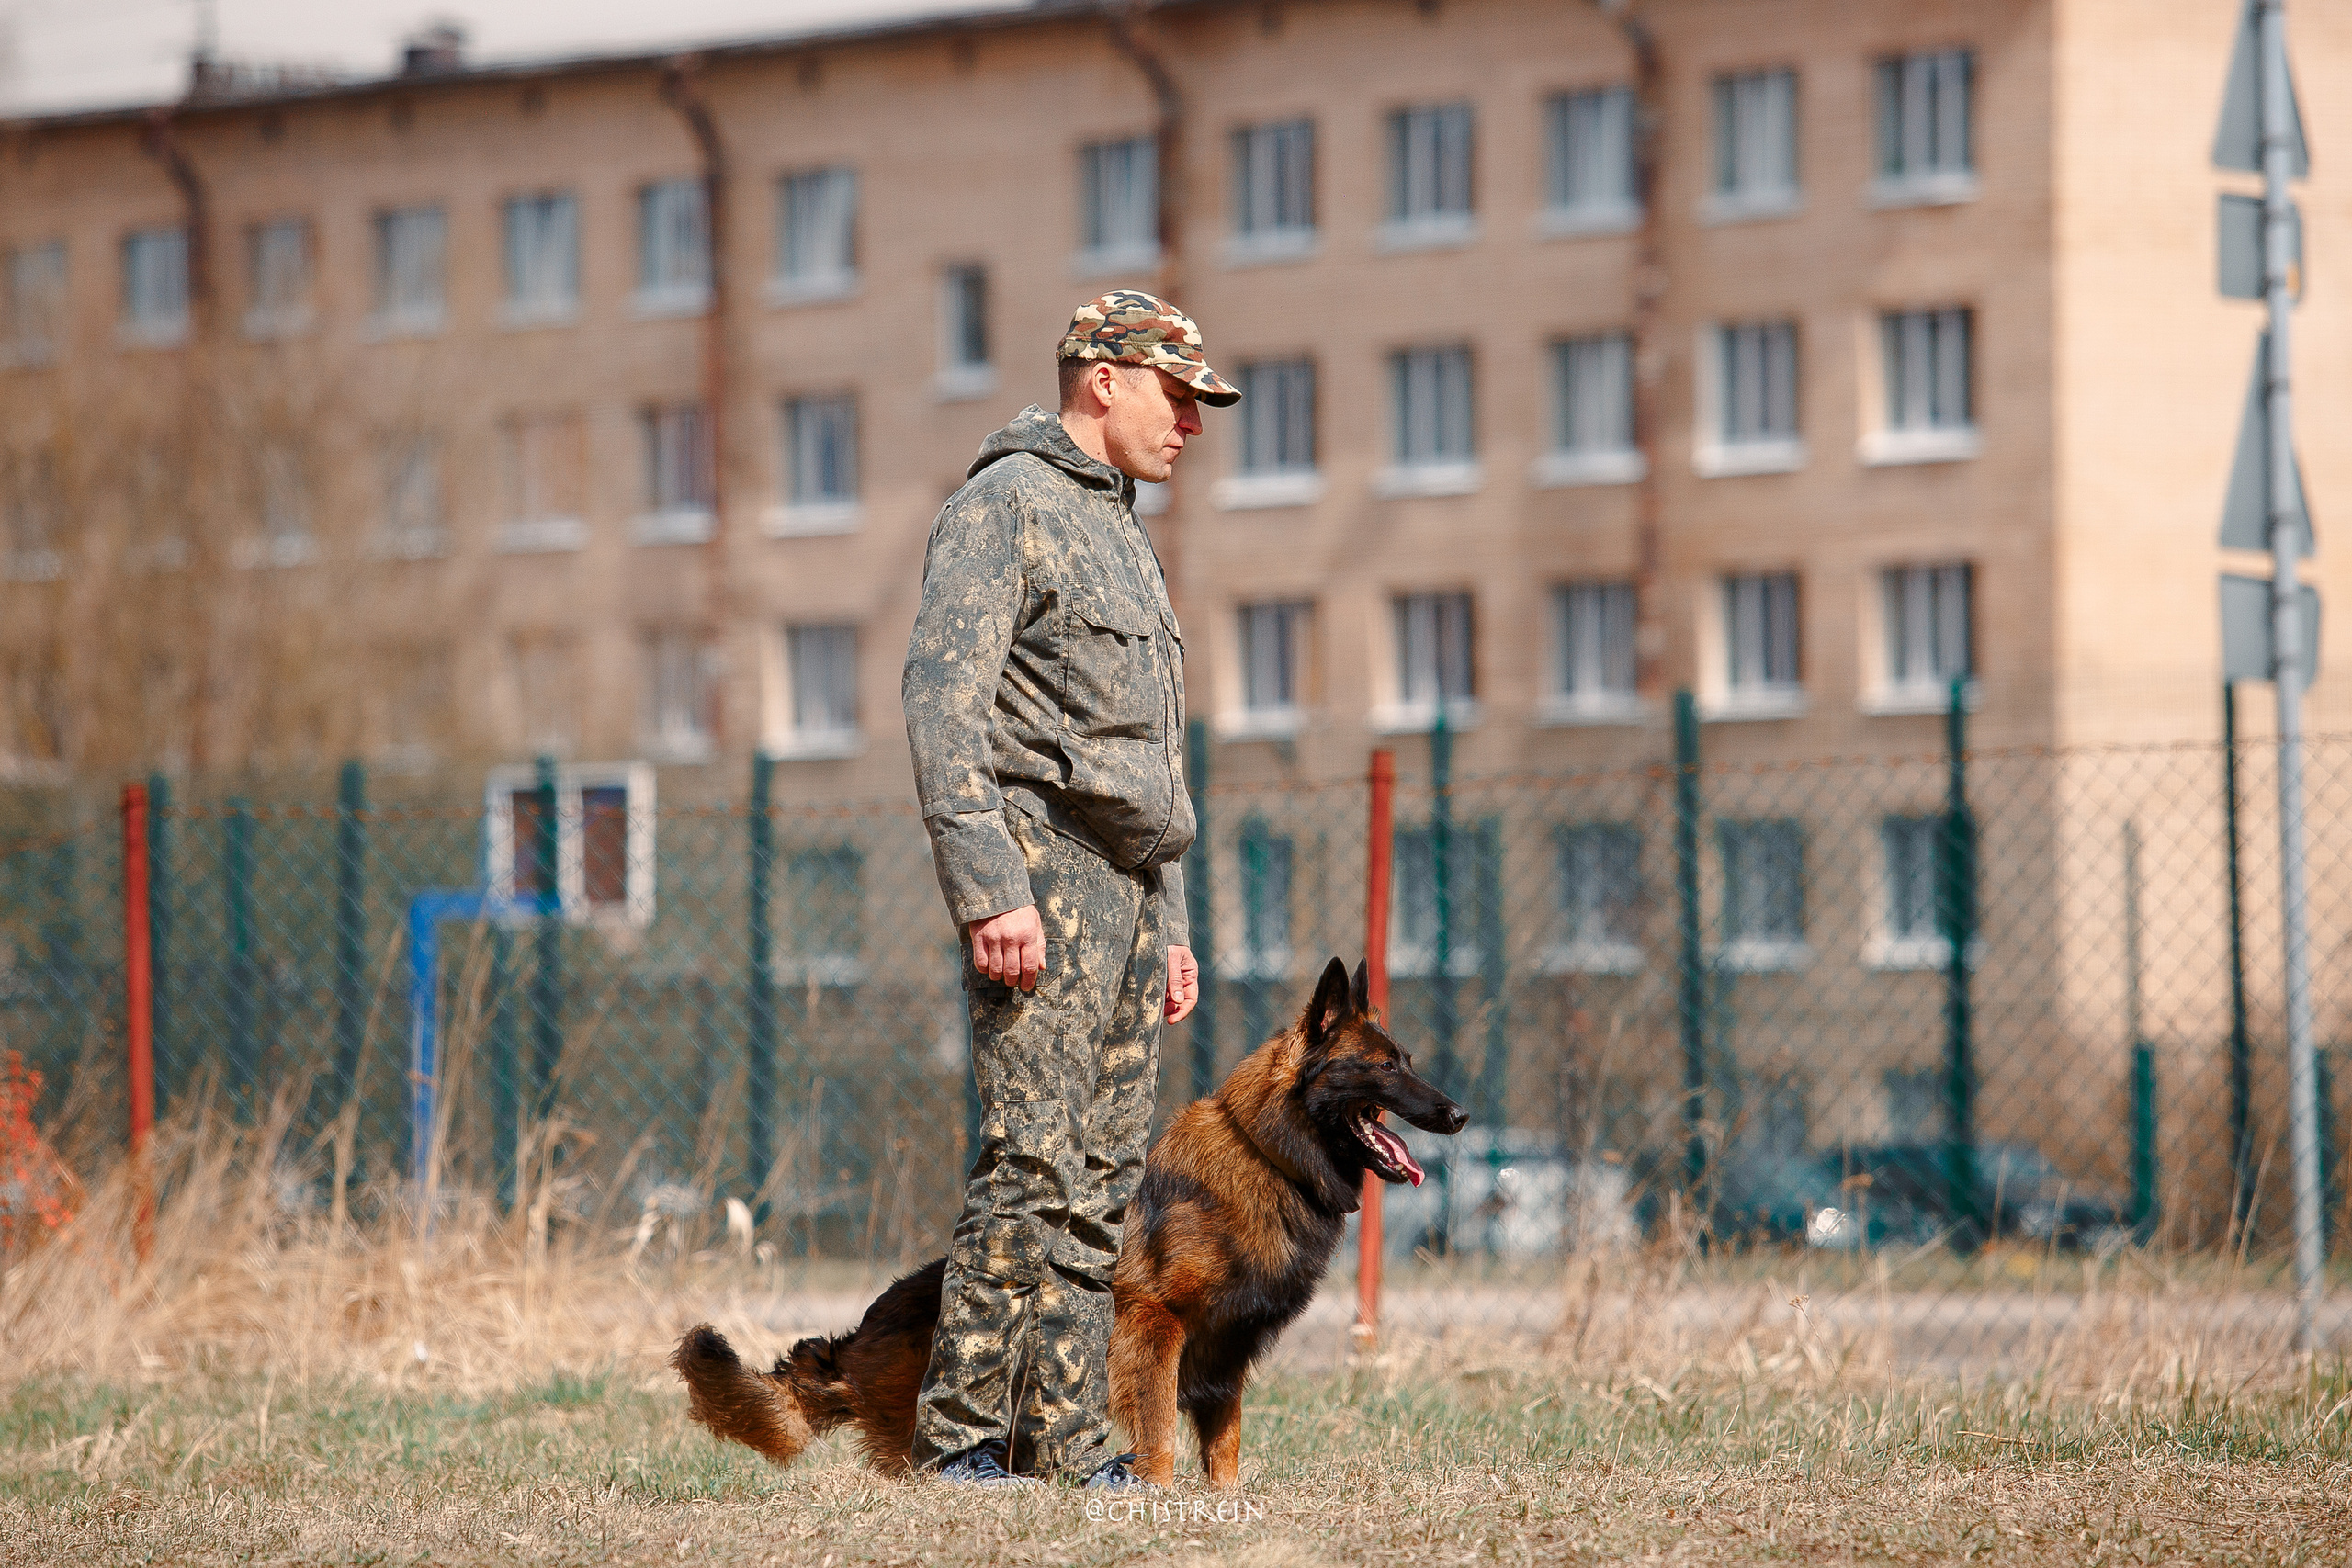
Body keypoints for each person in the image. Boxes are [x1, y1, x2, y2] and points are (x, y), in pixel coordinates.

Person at [899, 290, 1238, 1486]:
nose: (1193, 423)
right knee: (1028, 1166)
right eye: (1179, 395)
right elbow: (944, 711)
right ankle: (957, 1446)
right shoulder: (1006, 510)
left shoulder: (1121, 529)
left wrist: (1176, 920)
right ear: (1105, 377)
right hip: (1042, 877)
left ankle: (1068, 1446)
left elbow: (1152, 756)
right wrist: (990, 889)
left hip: (1133, 900)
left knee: (1097, 1190)